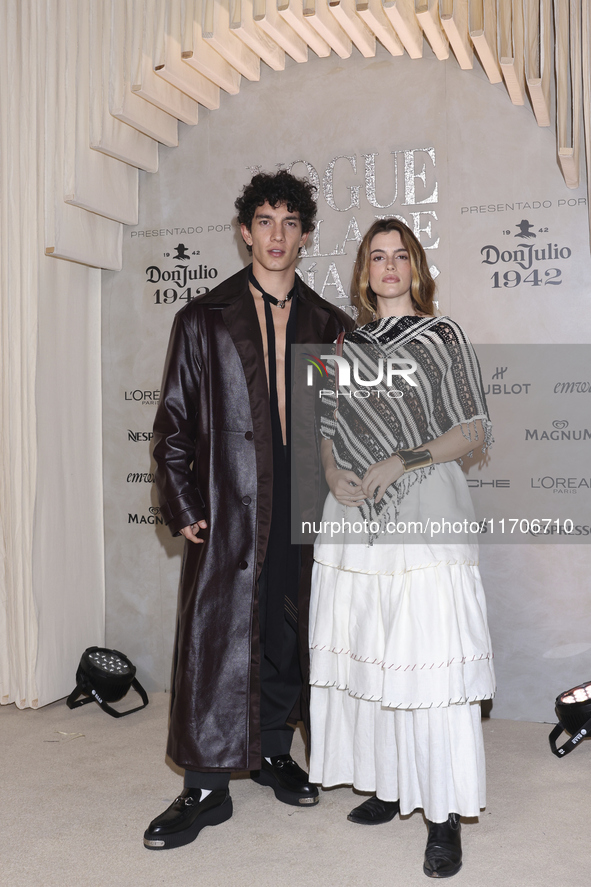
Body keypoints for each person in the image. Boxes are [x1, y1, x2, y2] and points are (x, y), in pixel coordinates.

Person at [144, 170, 353, 851]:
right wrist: (180, 502)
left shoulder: (329, 325)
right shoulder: (201, 319)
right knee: (217, 637)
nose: (276, 235)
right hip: (230, 506)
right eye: (264, 220)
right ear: (244, 232)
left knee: (285, 630)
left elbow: (343, 427)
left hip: (303, 505)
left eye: (289, 222)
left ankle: (270, 750)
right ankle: (204, 785)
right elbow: (173, 423)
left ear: (304, 236)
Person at [308, 219, 495, 878]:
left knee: (427, 657)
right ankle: (388, 786)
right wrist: (333, 472)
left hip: (423, 508)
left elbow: (473, 427)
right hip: (355, 516)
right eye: (376, 256)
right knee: (372, 653)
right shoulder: (341, 344)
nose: (388, 266)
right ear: (364, 272)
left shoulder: (443, 336)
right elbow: (328, 428)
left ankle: (442, 815)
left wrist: (404, 456)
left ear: (415, 267)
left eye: (400, 256)